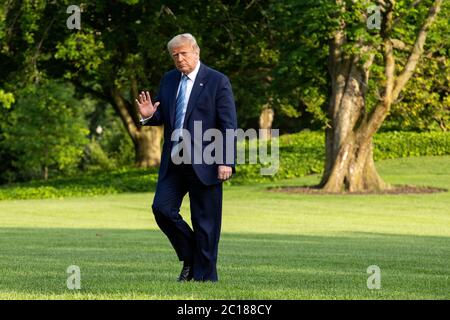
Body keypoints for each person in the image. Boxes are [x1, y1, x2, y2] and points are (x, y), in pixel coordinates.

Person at [136, 33, 237, 282]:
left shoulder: (217, 81)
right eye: (175, 55)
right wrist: (150, 115)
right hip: (174, 160)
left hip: (207, 161)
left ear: (196, 51)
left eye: (184, 53)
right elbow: (167, 116)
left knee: (205, 222)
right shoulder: (169, 80)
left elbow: (228, 125)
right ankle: (191, 256)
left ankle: (204, 277)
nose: (179, 59)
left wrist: (226, 160)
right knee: (162, 209)